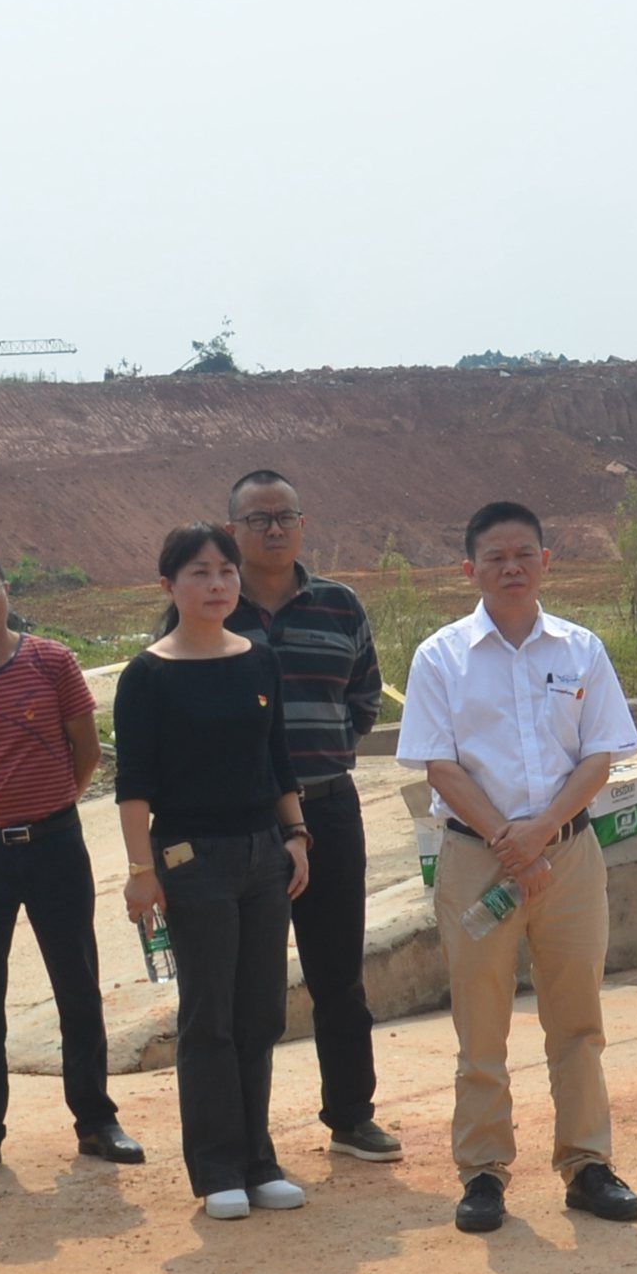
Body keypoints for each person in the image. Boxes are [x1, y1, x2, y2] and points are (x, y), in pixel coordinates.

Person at [396, 502, 637, 1236]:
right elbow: (438, 764)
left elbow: (602, 754)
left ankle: (588, 1165)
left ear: (546, 562)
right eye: (495, 557)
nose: (511, 567)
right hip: (478, 860)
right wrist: (508, 837)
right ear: (469, 569)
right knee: (482, 1026)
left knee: (578, 1021)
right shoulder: (441, 656)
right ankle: (482, 1172)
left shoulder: (580, 650)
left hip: (569, 858)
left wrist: (540, 834)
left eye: (524, 554)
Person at [0, 547, 138, 1177]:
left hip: (56, 844)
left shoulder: (52, 660)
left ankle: (96, 1119)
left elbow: (85, 749)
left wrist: (52, 802)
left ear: (7, 591)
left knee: (77, 981)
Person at [114, 524, 310, 1222]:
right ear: (168, 586)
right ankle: (217, 1166)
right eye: (199, 572)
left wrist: (296, 835)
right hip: (190, 861)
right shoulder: (148, 676)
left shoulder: (257, 661)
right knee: (209, 1019)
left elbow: (278, 759)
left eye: (226, 571)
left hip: (264, 855)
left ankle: (259, 1158)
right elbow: (133, 786)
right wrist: (141, 872)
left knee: (259, 1013)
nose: (217, 584)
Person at [216, 470, 396, 1163]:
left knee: (339, 975)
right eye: (257, 518)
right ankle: (239, 1134)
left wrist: (324, 752)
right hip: (240, 824)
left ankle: (351, 1115)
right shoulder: (211, 607)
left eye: (284, 516)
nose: (272, 529)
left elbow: (366, 696)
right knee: (243, 988)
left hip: (329, 811)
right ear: (232, 528)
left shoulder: (339, 605)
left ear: (302, 523)